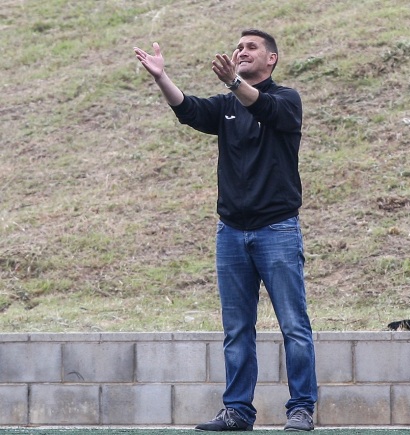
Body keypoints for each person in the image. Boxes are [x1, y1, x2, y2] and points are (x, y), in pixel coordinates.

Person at [134, 29, 317, 432]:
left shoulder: (287, 101)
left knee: (294, 325)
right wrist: (162, 77)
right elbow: (190, 111)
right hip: (231, 233)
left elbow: (265, 109)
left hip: (277, 231)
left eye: (251, 47)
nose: (242, 51)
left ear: (271, 59)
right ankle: (237, 411)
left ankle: (301, 408)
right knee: (237, 330)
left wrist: (234, 83)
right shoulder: (227, 106)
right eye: (239, 46)